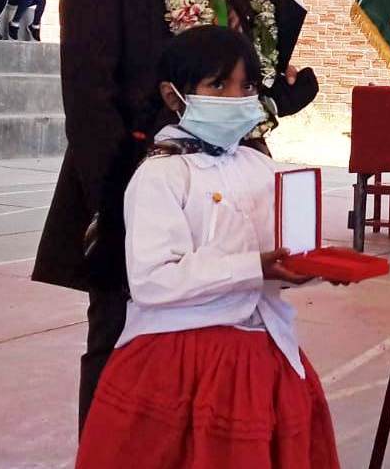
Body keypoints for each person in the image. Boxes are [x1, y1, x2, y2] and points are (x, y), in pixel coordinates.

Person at [31, 0, 317, 433]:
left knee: (219, 336)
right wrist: (119, 199)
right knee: (123, 340)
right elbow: (88, 92)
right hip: (139, 181)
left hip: (223, 182)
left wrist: (276, 94)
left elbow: (243, 68)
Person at [75, 26, 338, 469]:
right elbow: (153, 280)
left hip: (266, 353)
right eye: (218, 84)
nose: (236, 98)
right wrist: (253, 268)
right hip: (180, 364)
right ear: (175, 95)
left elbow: (276, 255)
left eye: (247, 86)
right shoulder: (161, 175)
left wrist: (307, 263)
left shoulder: (261, 167)